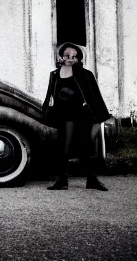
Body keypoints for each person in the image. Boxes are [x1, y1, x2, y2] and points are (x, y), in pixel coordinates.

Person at [42, 42, 111, 191]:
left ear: (78, 58)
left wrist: (100, 115)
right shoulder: (54, 74)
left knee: (85, 147)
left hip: (81, 114)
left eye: (74, 56)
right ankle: (62, 180)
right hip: (63, 115)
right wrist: (46, 110)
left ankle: (91, 180)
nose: (70, 59)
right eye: (67, 55)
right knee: (63, 147)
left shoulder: (85, 74)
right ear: (61, 56)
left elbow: (94, 96)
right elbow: (50, 94)